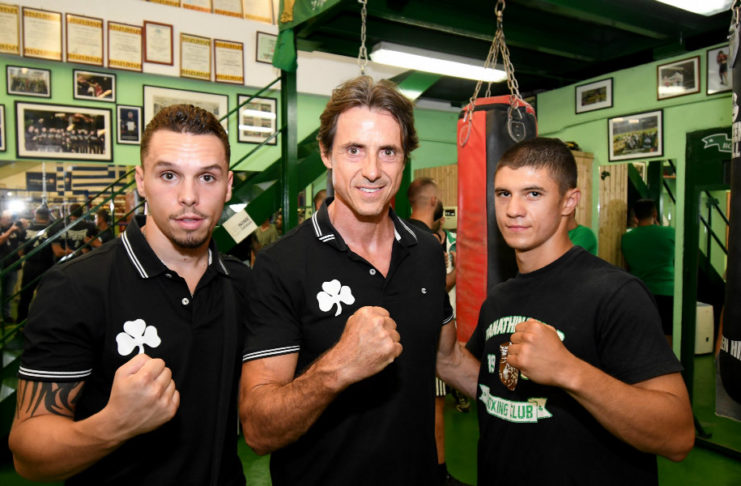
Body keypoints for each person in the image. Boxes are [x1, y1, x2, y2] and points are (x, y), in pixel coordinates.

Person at [239, 76, 479, 486]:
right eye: (354, 150)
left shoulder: (424, 250)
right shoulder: (282, 265)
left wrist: (520, 398)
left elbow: (447, 358)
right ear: (326, 153)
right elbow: (259, 431)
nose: (372, 171)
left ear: (404, 159)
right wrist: (337, 367)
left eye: (388, 152)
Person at [9, 104, 251, 485]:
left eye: (207, 177)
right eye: (169, 175)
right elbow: (28, 453)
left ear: (229, 185)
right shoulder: (77, 287)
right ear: (141, 181)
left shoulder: (243, 284)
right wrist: (115, 423)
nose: (189, 196)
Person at [464, 137, 693, 484]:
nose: (513, 210)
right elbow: (490, 387)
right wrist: (443, 353)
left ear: (569, 201)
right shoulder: (499, 297)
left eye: (533, 194)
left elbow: (677, 436)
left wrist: (568, 370)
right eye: (503, 194)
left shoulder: (615, 293)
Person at [621, 198, 676, 342]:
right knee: (667, 335)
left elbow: (627, 265)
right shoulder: (670, 233)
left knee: (643, 335)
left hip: (640, 292)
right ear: (655, 213)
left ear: (635, 217)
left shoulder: (627, 238)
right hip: (667, 292)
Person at [16, 206, 63, 323]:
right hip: (46, 266)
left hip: (30, 266)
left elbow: (20, 252)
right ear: (48, 217)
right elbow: (57, 252)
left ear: (36, 216)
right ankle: (41, 321)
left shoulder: (26, 230)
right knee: (45, 295)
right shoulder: (52, 230)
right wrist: (69, 252)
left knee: (25, 295)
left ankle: (21, 321)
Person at [0, 211, 24, 323]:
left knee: (8, 293)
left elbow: (23, 241)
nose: (9, 221)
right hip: (2, 265)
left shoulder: (15, 229)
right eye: (6, 219)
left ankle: (6, 316)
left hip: (13, 265)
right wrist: (10, 231)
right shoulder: (8, 230)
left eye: (10, 219)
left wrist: (22, 227)